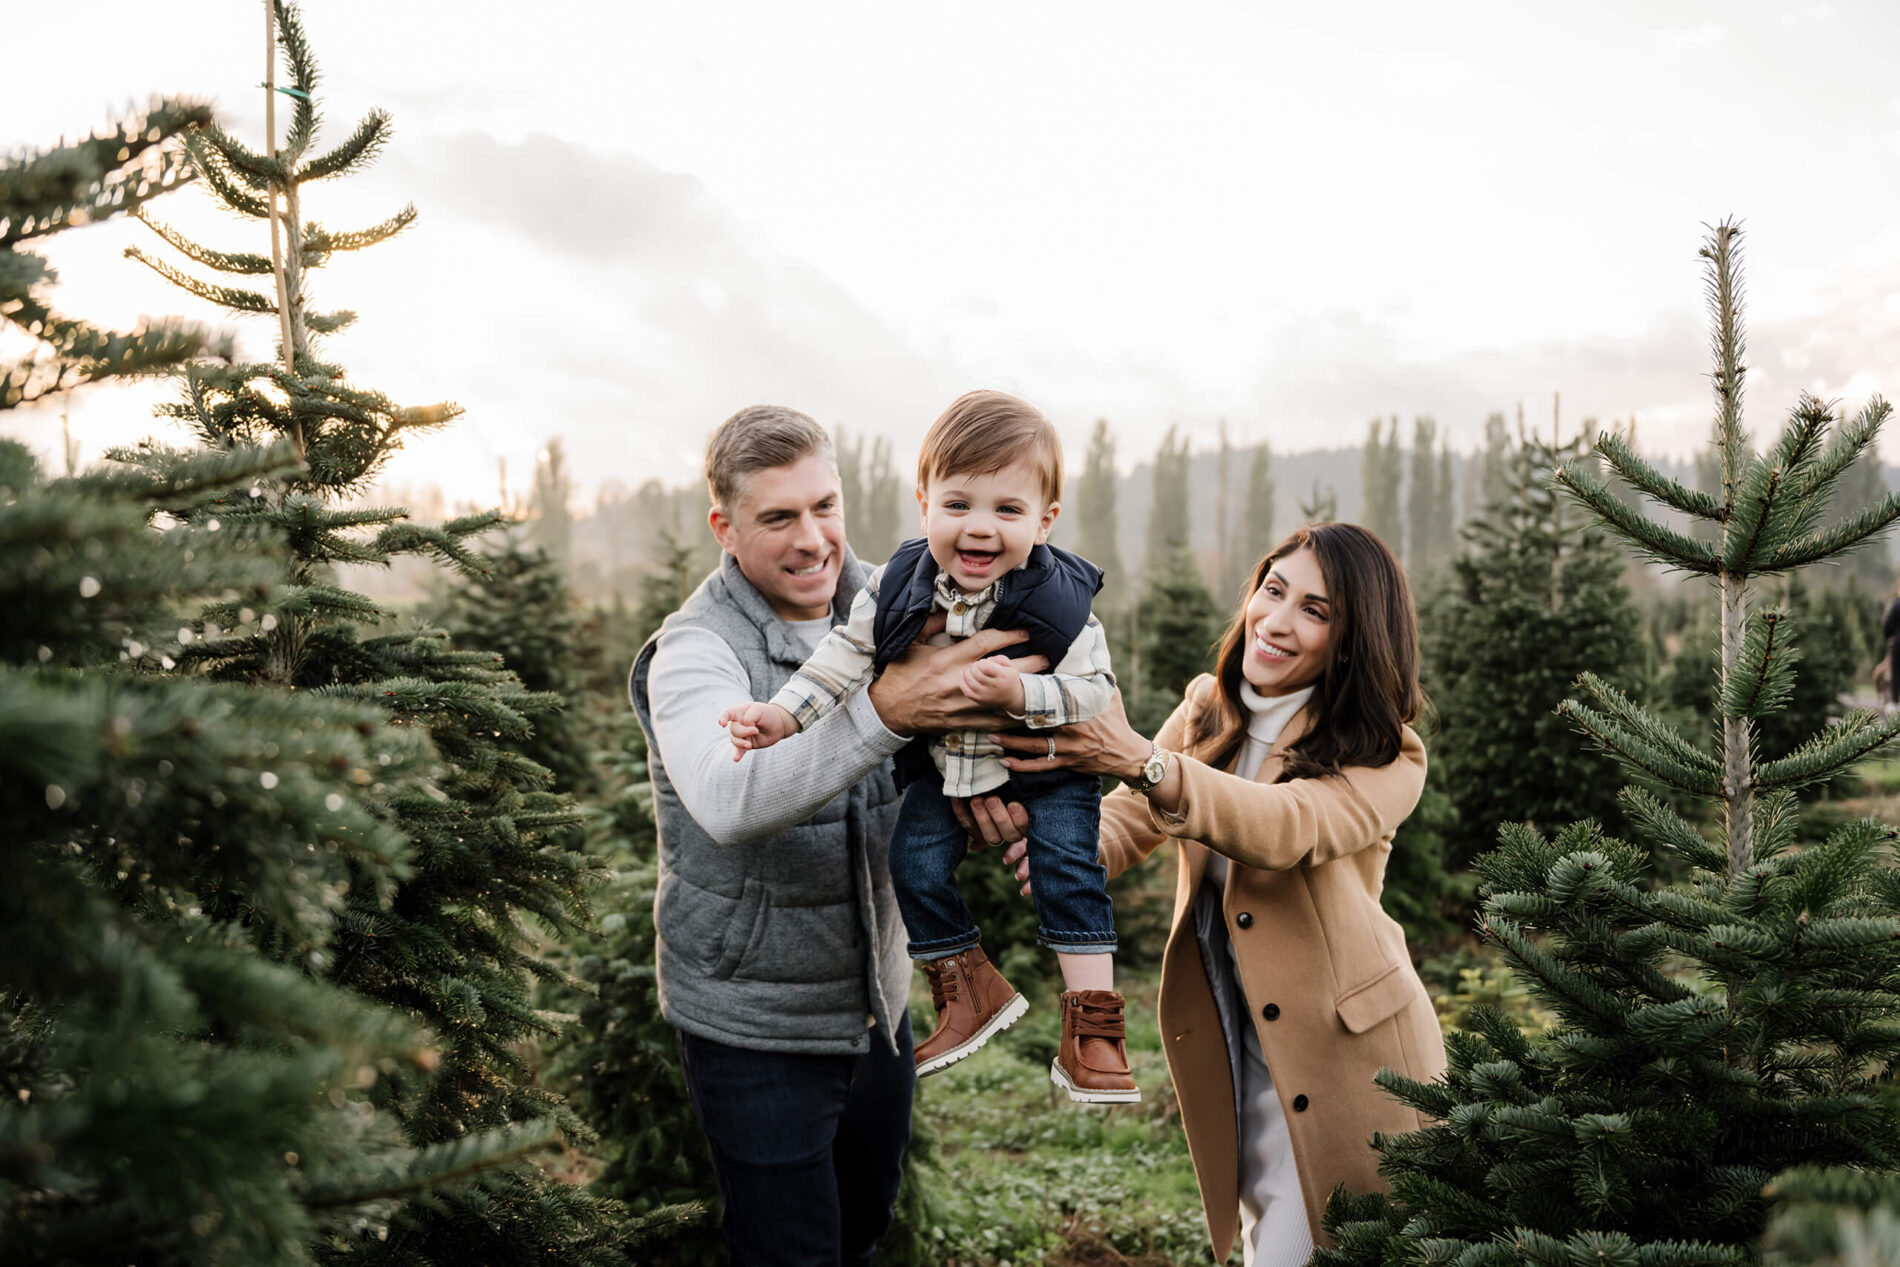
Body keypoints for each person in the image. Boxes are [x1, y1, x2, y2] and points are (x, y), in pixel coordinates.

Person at [628, 404, 1043, 1267]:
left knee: (861, 1225)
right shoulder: (697, 650)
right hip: (756, 1022)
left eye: (825, 506)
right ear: (726, 525)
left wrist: (1009, 807)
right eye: (779, 517)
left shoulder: (908, 603)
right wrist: (888, 712)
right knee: (791, 1251)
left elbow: (962, 744)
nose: (813, 539)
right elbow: (729, 800)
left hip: (878, 1006)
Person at [972, 521, 1449, 1267]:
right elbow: (1129, 821)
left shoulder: (1385, 752)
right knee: (1269, 1237)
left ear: (1352, 641)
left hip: (1349, 1059)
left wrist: (1141, 757)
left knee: (1313, 1244)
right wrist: (1046, 835)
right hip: (1237, 1038)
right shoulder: (1207, 709)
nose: (1278, 621)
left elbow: (1288, 826)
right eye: (1274, 590)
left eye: (1316, 611)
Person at [719, 390, 1137, 1102]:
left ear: (1046, 520)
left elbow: (1096, 690)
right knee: (913, 860)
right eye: (958, 504)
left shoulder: (1061, 598)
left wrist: (1021, 696)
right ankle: (965, 988)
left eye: (1007, 510)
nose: (979, 527)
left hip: (1046, 769)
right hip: (952, 770)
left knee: (1067, 868)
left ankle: (1094, 1032)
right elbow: (842, 656)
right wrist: (785, 716)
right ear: (924, 505)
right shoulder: (897, 585)